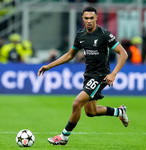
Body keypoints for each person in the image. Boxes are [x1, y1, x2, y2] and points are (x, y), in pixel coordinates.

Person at [37, 7, 129, 146]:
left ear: (96, 18)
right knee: (90, 112)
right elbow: (69, 55)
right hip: (89, 75)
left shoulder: (104, 34)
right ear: (83, 19)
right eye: (86, 18)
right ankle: (119, 112)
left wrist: (113, 73)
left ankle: (64, 137)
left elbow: (123, 54)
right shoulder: (80, 35)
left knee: (77, 103)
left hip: (101, 75)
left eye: (92, 18)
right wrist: (49, 66)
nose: (89, 21)